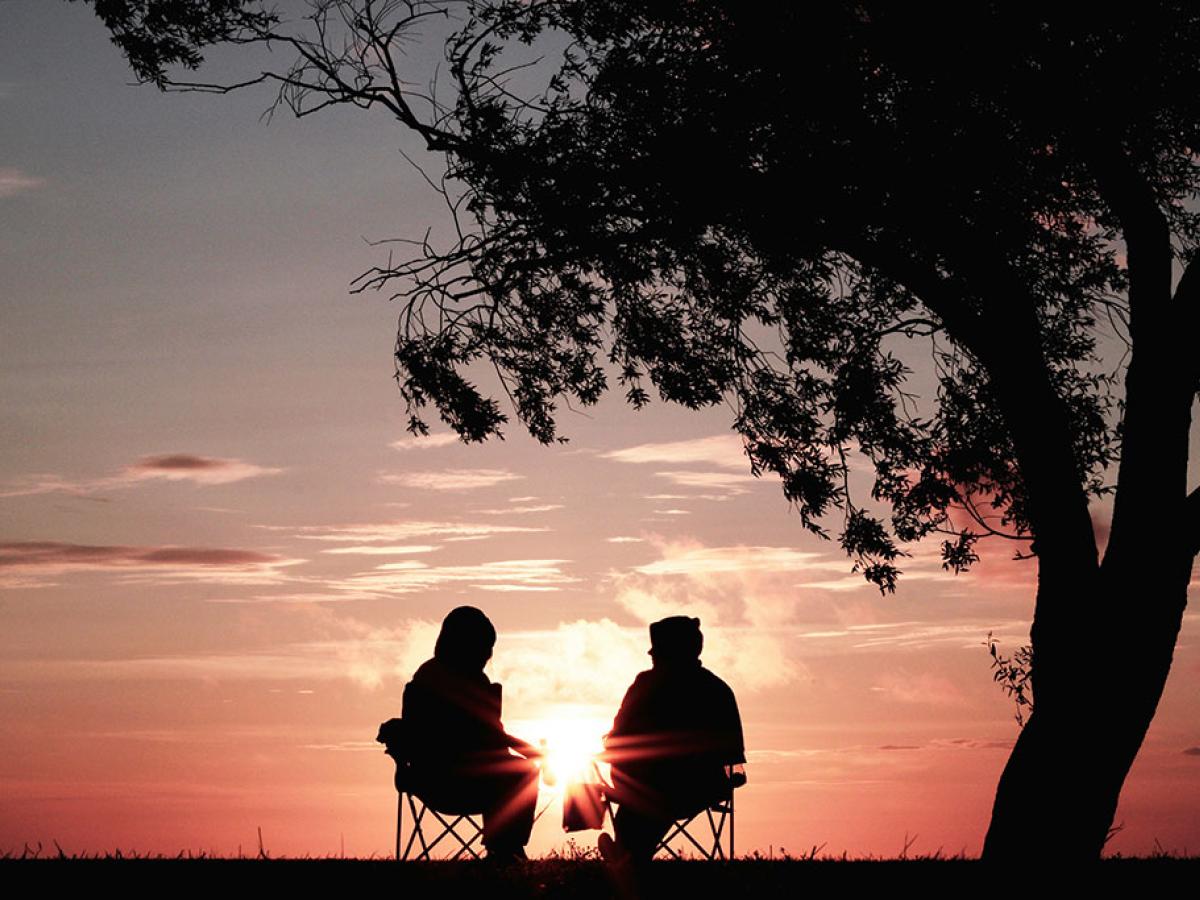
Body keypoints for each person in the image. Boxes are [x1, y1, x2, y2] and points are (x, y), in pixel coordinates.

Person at [385, 606, 541, 863]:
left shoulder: (440, 676)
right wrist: (529, 751)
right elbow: (484, 734)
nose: (488, 655)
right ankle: (505, 849)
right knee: (524, 772)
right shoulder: (440, 680)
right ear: (466, 645)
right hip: (447, 780)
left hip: (436, 778)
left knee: (517, 771)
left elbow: (490, 735)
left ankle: (505, 847)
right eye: (484, 647)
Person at [600, 616, 745, 862]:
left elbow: (616, 739)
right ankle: (627, 854)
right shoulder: (717, 689)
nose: (653, 659)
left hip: (649, 787)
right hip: (702, 788)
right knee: (650, 799)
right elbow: (733, 757)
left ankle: (627, 855)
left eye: (656, 654)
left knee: (645, 799)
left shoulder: (644, 685)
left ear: (666, 653)